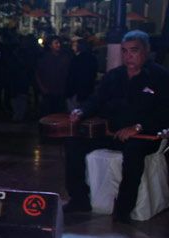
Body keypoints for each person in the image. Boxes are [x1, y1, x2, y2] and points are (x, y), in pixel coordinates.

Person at [63, 30, 169, 223]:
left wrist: (138, 127)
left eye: (134, 51)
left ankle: (123, 210)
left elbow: (164, 113)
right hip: (113, 132)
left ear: (146, 51)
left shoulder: (160, 76)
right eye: (124, 51)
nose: (128, 56)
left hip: (145, 136)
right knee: (74, 142)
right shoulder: (114, 76)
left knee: (133, 152)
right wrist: (81, 111)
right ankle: (79, 199)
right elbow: (96, 99)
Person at [36, 36, 71, 116]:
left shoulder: (65, 57)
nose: (58, 45)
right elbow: (38, 74)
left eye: (59, 43)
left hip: (61, 91)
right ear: (50, 45)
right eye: (56, 43)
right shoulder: (44, 58)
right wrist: (42, 88)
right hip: (48, 91)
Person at [65, 37, 98, 111]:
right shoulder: (92, 58)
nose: (72, 47)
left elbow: (72, 76)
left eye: (74, 45)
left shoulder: (76, 59)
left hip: (76, 91)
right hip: (87, 90)